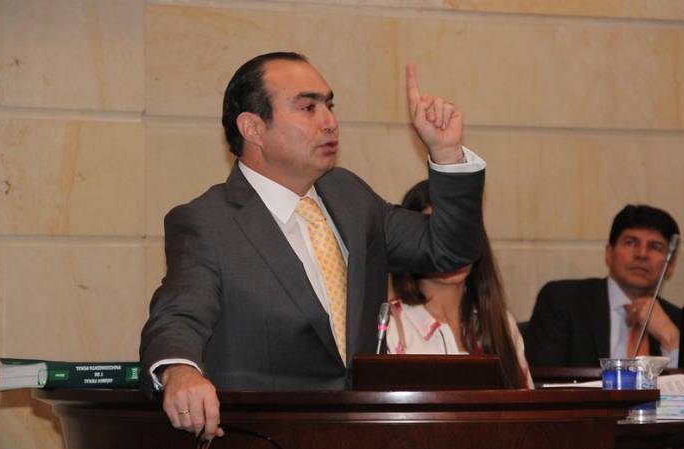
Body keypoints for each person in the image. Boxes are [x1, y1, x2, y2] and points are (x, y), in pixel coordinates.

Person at [139, 51, 487, 441]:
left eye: (329, 105)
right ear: (253, 128)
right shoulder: (208, 222)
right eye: (308, 107)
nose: (330, 122)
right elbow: (178, 316)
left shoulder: (351, 196)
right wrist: (180, 372)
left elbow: (449, 249)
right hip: (265, 437)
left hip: (361, 433)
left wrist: (446, 154)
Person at [386, 180, 533, 389]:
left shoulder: (502, 324)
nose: (453, 246)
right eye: (438, 233)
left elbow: (526, 404)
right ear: (411, 243)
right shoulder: (390, 325)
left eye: (461, 231)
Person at [524, 204, 682, 368]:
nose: (641, 254)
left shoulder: (680, 322)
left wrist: (670, 338)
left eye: (655, 247)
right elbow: (544, 376)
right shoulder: (563, 301)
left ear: (670, 265)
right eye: (630, 242)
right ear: (609, 254)